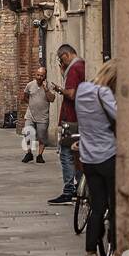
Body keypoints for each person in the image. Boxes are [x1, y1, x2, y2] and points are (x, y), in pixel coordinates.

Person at [75, 60, 118, 256]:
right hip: (108, 156)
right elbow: (122, 118)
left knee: (98, 207)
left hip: (88, 159)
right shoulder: (105, 94)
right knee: (117, 206)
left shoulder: (83, 90)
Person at [48, 44, 86, 204]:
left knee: (66, 154)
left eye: (61, 59)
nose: (61, 62)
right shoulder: (82, 65)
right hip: (79, 118)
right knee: (76, 154)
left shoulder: (74, 68)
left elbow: (71, 93)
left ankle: (69, 191)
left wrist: (59, 89)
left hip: (71, 119)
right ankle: (80, 189)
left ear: (66, 55)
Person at [21, 65, 54, 164]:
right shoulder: (30, 85)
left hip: (43, 117)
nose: (39, 77)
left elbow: (51, 99)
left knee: (41, 137)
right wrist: (32, 105)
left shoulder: (49, 86)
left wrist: (46, 89)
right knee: (27, 133)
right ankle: (29, 153)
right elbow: (25, 97)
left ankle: (40, 155)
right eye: (38, 75)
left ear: (45, 76)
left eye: (42, 75)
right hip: (30, 114)